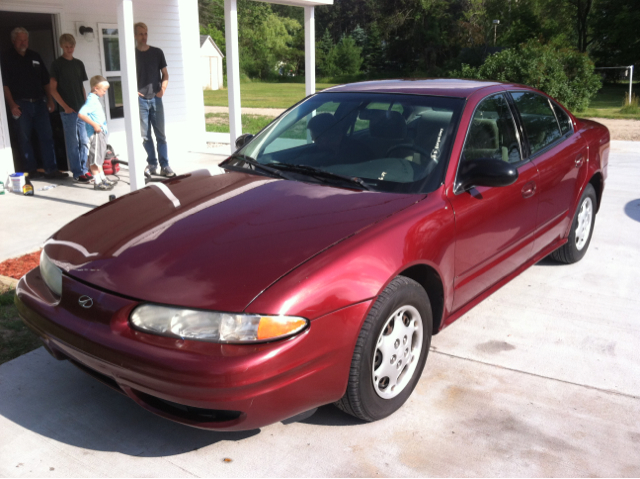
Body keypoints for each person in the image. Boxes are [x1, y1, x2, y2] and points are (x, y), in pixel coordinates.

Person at [1, 27, 67, 179]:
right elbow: (4, 85)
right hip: (20, 104)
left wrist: (50, 100)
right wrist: (11, 105)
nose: (24, 42)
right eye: (21, 39)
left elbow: (45, 81)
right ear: (13, 41)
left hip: (40, 103)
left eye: (26, 39)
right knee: (24, 138)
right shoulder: (6, 58)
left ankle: (51, 170)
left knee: (47, 136)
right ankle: (31, 170)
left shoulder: (35, 56)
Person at [134, 22, 175, 178]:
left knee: (161, 135)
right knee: (145, 136)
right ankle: (152, 164)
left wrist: (162, 90)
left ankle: (165, 165)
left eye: (145, 33)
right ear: (135, 35)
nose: (144, 37)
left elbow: (165, 74)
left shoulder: (157, 52)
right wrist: (134, 92)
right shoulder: (132, 54)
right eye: (140, 34)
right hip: (141, 100)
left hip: (156, 99)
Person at [50, 33, 92, 183]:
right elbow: (53, 89)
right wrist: (65, 107)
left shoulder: (78, 64)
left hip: (81, 109)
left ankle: (85, 170)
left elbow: (81, 86)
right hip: (68, 112)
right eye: (67, 46)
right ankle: (77, 172)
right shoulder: (57, 64)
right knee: (73, 142)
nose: (70, 49)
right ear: (62, 46)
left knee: (84, 140)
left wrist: (87, 104)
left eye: (72, 46)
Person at [78, 76, 114, 191]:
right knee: (94, 159)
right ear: (96, 88)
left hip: (101, 133)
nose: (105, 92)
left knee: (99, 158)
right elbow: (81, 114)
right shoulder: (91, 100)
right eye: (104, 90)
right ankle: (97, 182)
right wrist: (94, 125)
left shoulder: (94, 99)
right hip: (96, 133)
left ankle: (102, 178)